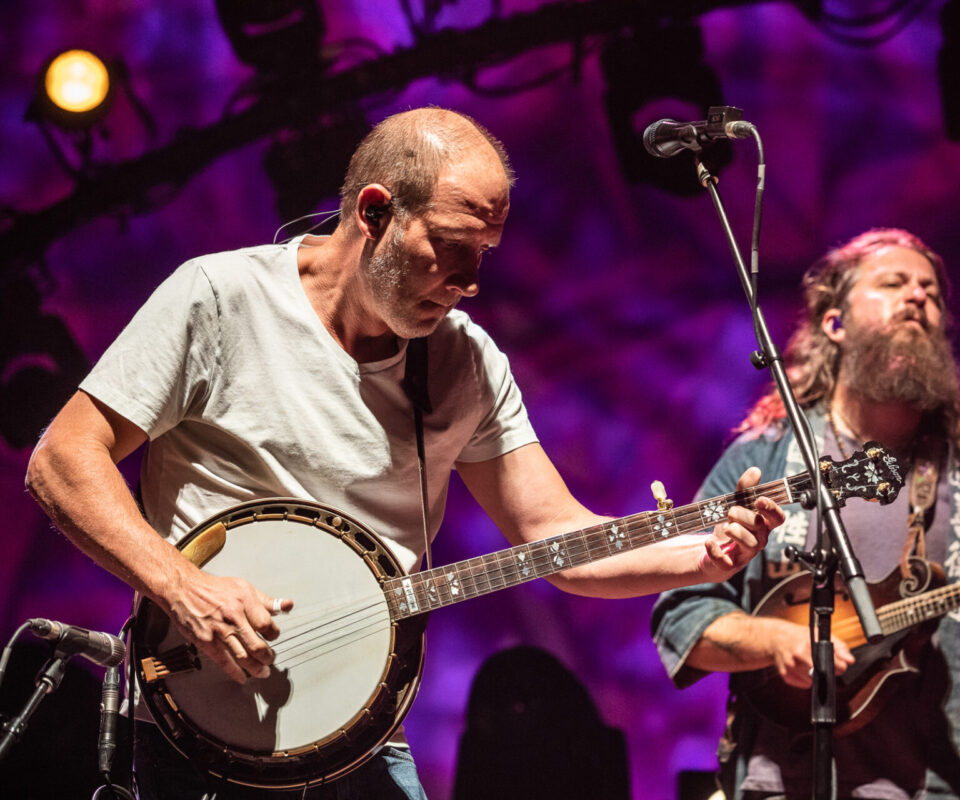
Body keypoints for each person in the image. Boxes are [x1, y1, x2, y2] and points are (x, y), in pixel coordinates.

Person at [24, 107, 784, 799]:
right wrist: (182, 586)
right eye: (453, 248)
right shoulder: (221, 299)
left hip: (360, 741)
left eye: (485, 252)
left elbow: (555, 536)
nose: (472, 281)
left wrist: (700, 558)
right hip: (196, 734)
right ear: (375, 213)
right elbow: (62, 457)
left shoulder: (466, 363)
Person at [651, 228, 960, 800]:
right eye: (894, 283)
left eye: (930, 291)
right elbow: (682, 611)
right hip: (777, 784)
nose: (917, 297)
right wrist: (772, 640)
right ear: (835, 323)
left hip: (941, 789)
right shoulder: (765, 457)